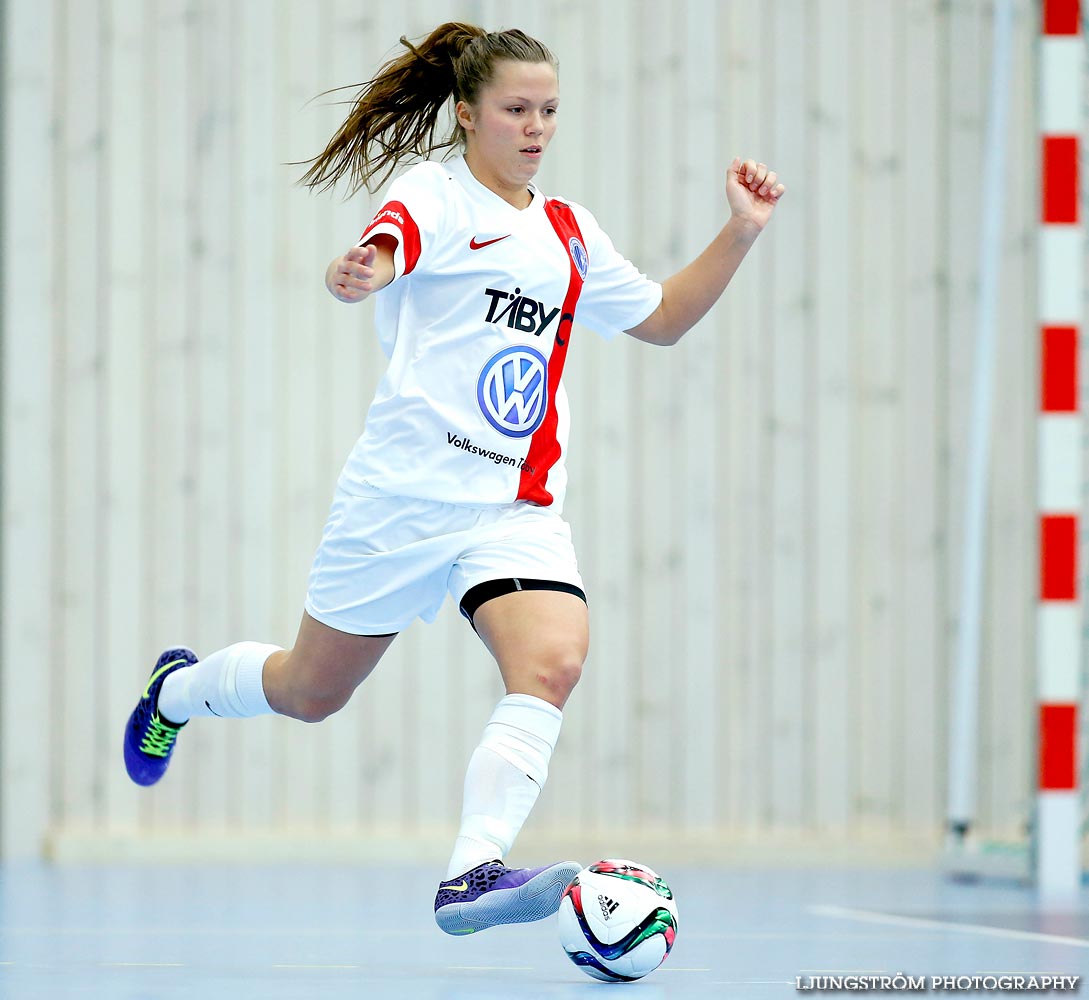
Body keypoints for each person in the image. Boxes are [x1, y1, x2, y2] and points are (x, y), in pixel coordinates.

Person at [123, 22, 784, 936]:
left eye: (549, 109)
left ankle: (471, 873)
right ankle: (178, 691)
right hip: (399, 500)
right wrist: (361, 271)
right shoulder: (432, 195)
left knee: (553, 661)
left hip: (512, 504)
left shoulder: (569, 233)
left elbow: (663, 319)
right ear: (468, 114)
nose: (536, 126)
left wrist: (740, 232)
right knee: (310, 693)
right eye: (516, 108)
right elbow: (386, 246)